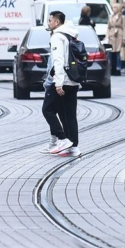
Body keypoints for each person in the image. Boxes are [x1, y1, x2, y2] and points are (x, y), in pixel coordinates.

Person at [41, 11, 81, 156]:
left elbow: (58, 61)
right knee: (69, 114)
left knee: (47, 110)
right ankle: (73, 146)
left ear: (57, 22)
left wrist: (58, 84)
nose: (48, 23)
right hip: (73, 80)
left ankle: (62, 139)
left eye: (50, 20)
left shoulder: (58, 36)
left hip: (62, 80)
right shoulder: (70, 34)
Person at [107, 3, 125, 76]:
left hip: (119, 36)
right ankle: (111, 68)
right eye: (113, 7)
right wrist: (107, 35)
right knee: (110, 52)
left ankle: (118, 68)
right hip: (112, 36)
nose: (113, 9)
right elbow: (108, 27)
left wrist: (124, 37)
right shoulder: (110, 16)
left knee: (118, 53)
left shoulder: (122, 17)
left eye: (115, 7)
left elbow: (124, 27)